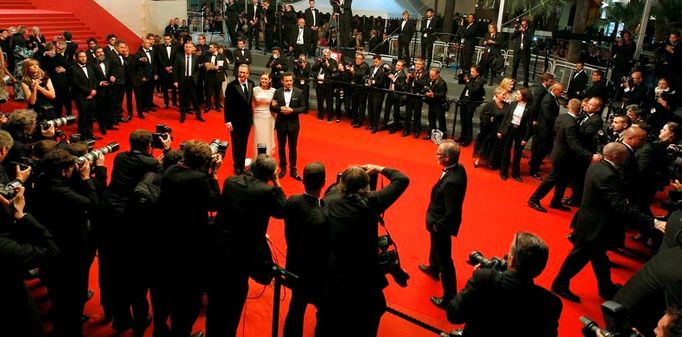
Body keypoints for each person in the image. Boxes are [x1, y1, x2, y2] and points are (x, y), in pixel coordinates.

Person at [551, 142, 665, 303]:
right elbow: (619, 205)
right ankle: (560, 284)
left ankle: (606, 287)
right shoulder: (607, 174)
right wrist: (653, 222)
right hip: (595, 225)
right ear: (616, 157)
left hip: (592, 221)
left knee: (599, 256)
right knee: (579, 257)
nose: (628, 159)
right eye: (625, 156)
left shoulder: (599, 166)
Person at [316, 163, 409, 337]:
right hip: (364, 276)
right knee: (371, 314)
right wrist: (379, 168)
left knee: (328, 318)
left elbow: (333, 190)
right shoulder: (372, 201)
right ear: (366, 188)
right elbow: (402, 179)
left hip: (336, 274)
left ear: (342, 185)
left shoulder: (329, 201)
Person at [207, 154, 286, 337]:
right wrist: (276, 181)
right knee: (233, 304)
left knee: (216, 299)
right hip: (241, 256)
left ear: (252, 167)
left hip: (219, 247)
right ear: (270, 174)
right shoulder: (269, 192)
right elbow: (283, 209)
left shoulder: (230, 181)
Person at [33, 149, 100, 337]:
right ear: (63, 171)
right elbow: (93, 204)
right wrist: (87, 179)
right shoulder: (60, 192)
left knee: (58, 295)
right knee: (73, 298)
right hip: (70, 252)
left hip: (51, 246)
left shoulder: (42, 178)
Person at [446, 232, 562, 337]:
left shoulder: (484, 279)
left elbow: (454, 314)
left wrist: (476, 280)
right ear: (540, 269)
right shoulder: (551, 304)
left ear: (511, 261)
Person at [528, 98, 601, 213]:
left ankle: (556, 202)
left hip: (562, 154)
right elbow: (573, 144)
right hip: (563, 156)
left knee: (563, 180)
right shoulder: (572, 124)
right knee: (551, 179)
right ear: (579, 109)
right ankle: (534, 199)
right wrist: (590, 155)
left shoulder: (562, 117)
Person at [418, 139, 467, 309]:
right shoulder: (459, 168)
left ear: (446, 158)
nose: (436, 156)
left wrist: (438, 225)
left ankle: (449, 297)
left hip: (441, 223)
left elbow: (451, 211)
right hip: (438, 220)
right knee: (436, 247)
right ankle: (433, 268)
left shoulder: (451, 183)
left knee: (445, 260)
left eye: (438, 154)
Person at [282, 162, 328, 337]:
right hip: (314, 274)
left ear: (303, 180)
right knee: (324, 310)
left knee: (296, 307)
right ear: (324, 182)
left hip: (293, 264)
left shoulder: (292, 200)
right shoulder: (321, 218)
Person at [271, 72, 307, 180]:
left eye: (290, 80)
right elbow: (272, 107)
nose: (289, 83)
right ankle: (282, 168)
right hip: (281, 123)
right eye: (286, 81)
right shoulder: (277, 92)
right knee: (281, 147)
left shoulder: (299, 92)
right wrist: (280, 109)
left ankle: (293, 169)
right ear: (282, 81)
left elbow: (304, 107)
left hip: (293, 124)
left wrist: (293, 110)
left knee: (293, 148)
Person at [224, 64, 254, 174]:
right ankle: (237, 166)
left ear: (248, 74)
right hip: (235, 121)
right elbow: (227, 105)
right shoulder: (231, 86)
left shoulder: (251, 83)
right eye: (240, 72)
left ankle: (241, 165)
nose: (241, 74)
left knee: (244, 144)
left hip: (247, 121)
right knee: (236, 144)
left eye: (244, 72)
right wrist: (227, 121)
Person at [498, 87, 532, 181]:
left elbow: (529, 125)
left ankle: (515, 174)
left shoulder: (529, 108)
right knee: (506, 151)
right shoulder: (512, 104)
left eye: (518, 94)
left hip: (520, 131)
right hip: (510, 129)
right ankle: (503, 172)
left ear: (523, 96)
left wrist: (525, 138)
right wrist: (500, 130)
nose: (516, 95)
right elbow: (506, 118)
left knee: (517, 153)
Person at [528, 80, 561, 179]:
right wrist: (558, 121)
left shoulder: (553, 98)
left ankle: (535, 166)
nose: (562, 93)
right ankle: (533, 170)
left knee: (543, 150)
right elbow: (548, 116)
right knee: (540, 150)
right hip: (544, 130)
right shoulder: (548, 99)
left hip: (546, 129)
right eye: (560, 91)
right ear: (554, 90)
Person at [473, 86, 508, 169]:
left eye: (505, 95)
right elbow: (483, 115)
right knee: (485, 144)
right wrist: (489, 119)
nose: (504, 96)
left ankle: (490, 160)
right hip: (488, 129)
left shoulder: (507, 106)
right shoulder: (490, 104)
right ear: (497, 94)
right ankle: (478, 160)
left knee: (495, 146)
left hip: (499, 129)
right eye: (503, 94)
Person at [69, 51, 99, 140]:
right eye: (81, 57)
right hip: (81, 96)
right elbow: (76, 84)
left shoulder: (89, 66)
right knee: (83, 115)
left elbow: (94, 79)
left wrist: (93, 90)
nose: (83, 58)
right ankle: (82, 135)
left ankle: (90, 133)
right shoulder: (73, 69)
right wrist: (89, 92)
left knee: (91, 116)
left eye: (85, 56)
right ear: (77, 58)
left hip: (91, 95)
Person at [173, 41, 204, 123]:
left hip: (192, 80)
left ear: (193, 48)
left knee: (195, 99)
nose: (188, 48)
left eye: (190, 47)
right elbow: (175, 69)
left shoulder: (196, 57)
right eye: (186, 47)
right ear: (184, 48)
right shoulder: (179, 56)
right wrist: (175, 80)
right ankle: (182, 116)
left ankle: (198, 115)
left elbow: (198, 70)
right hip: (182, 80)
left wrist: (195, 78)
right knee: (182, 99)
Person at [457, 65, 486, 146]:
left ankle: (468, 139)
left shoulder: (480, 80)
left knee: (468, 121)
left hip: (471, 102)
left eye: (473, 72)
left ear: (478, 73)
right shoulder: (471, 77)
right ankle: (462, 137)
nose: (471, 73)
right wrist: (462, 77)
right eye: (471, 71)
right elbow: (460, 82)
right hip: (464, 100)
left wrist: (467, 81)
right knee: (462, 120)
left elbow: (473, 90)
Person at [128, 37, 156, 118]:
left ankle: (149, 105)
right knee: (143, 92)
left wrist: (155, 73)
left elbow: (154, 63)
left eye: (149, 43)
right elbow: (139, 67)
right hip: (143, 76)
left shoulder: (152, 51)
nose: (149, 44)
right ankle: (144, 107)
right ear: (142, 44)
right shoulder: (138, 53)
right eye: (147, 43)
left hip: (151, 74)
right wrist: (142, 76)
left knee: (150, 91)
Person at [252, 73, 276, 157]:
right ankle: (256, 158)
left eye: (265, 79)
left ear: (270, 80)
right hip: (257, 117)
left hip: (269, 117)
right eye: (262, 78)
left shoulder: (274, 91)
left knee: (268, 138)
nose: (263, 80)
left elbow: (276, 106)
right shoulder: (255, 89)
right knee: (258, 138)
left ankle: (267, 159)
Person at [381, 59, 407, 133]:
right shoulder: (394, 71)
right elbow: (385, 74)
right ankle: (384, 124)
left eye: (399, 65)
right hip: (390, 93)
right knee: (387, 110)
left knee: (396, 111)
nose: (396, 66)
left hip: (396, 95)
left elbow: (402, 86)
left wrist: (394, 79)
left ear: (402, 67)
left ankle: (396, 126)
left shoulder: (403, 75)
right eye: (397, 64)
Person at [311, 48, 337, 122]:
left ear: (329, 54)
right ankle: (320, 115)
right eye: (323, 54)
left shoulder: (333, 61)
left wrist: (328, 65)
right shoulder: (320, 60)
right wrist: (318, 62)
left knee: (329, 101)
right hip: (319, 83)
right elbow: (313, 68)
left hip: (328, 84)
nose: (325, 56)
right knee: (320, 100)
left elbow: (334, 71)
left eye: (326, 54)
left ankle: (329, 117)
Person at [405, 57, 428, 137]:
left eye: (419, 64)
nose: (417, 65)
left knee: (417, 115)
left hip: (418, 96)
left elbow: (424, 83)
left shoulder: (425, 73)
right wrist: (408, 78)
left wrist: (415, 77)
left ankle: (416, 130)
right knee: (408, 113)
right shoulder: (412, 71)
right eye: (416, 64)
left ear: (423, 65)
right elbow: (408, 83)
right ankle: (406, 129)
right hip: (410, 95)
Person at [423, 67, 448, 139]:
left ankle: (443, 135)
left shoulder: (442, 83)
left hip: (439, 105)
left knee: (441, 120)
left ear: (438, 75)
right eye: (430, 75)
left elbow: (442, 94)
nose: (431, 77)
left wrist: (433, 94)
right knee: (431, 120)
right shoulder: (430, 80)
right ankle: (430, 134)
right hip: (432, 103)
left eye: (433, 76)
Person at [204, 42, 227, 113]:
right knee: (208, 92)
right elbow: (205, 62)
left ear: (215, 48)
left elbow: (226, 66)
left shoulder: (222, 55)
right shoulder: (207, 54)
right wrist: (206, 64)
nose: (209, 49)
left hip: (218, 76)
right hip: (209, 76)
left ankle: (217, 106)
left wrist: (219, 67)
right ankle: (208, 106)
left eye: (211, 47)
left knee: (217, 92)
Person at [156, 33, 178, 109]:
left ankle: (174, 102)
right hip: (164, 71)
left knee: (174, 88)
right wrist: (166, 67)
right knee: (164, 88)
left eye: (168, 39)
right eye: (165, 39)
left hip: (173, 70)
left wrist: (171, 67)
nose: (166, 40)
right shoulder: (160, 47)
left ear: (171, 39)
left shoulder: (175, 47)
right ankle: (166, 103)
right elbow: (159, 59)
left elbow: (176, 59)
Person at [510, 18, 532, 87]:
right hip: (517, 51)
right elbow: (511, 38)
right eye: (522, 24)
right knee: (514, 67)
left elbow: (530, 39)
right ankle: (512, 82)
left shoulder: (530, 30)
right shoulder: (518, 31)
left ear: (527, 24)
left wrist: (524, 31)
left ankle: (525, 85)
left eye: (524, 24)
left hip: (525, 53)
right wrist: (516, 30)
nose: (523, 25)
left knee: (525, 69)